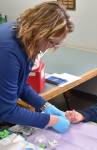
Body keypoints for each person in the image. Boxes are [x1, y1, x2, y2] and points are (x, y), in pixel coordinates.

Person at [0, 1, 74, 133]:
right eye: (52, 42)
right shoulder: (7, 50)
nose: (52, 47)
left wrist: (45, 106)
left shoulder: (26, 38)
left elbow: (20, 84)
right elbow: (7, 110)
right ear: (40, 32)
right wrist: (51, 120)